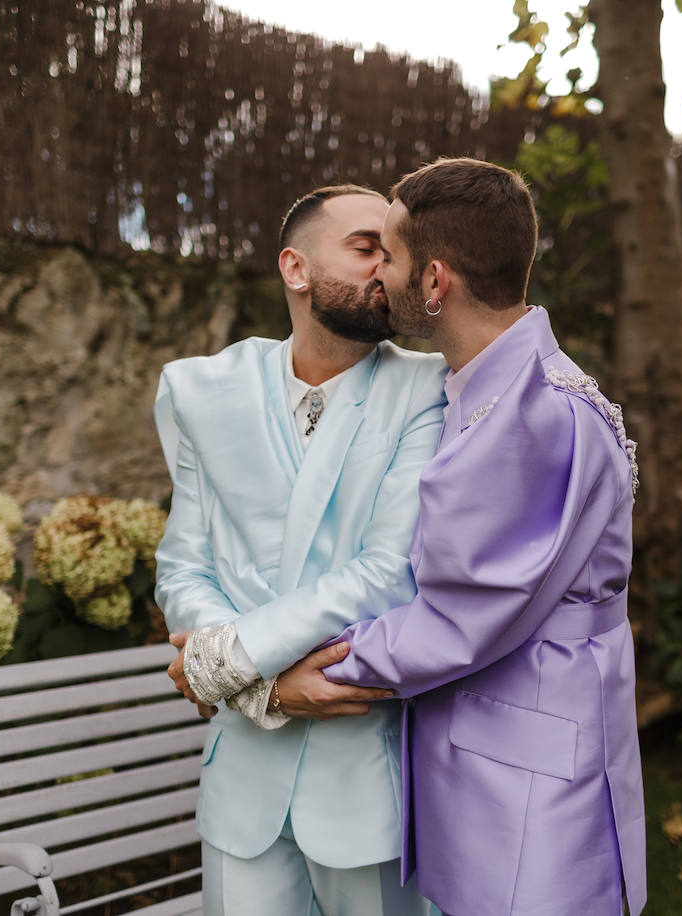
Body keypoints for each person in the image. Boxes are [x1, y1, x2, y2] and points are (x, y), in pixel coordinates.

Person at [281, 158, 647, 916]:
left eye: (391, 254)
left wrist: (281, 663)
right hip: (490, 746)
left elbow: (460, 617)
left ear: (436, 281)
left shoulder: (533, 415)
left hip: (527, 777)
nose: (378, 273)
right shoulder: (490, 384)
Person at [152, 184, 445, 916]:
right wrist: (263, 692)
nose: (386, 268)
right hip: (241, 784)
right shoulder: (200, 390)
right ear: (296, 267)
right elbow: (185, 566)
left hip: (366, 775)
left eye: (395, 253)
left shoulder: (430, 390)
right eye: (365, 247)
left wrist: (219, 663)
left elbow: (391, 573)